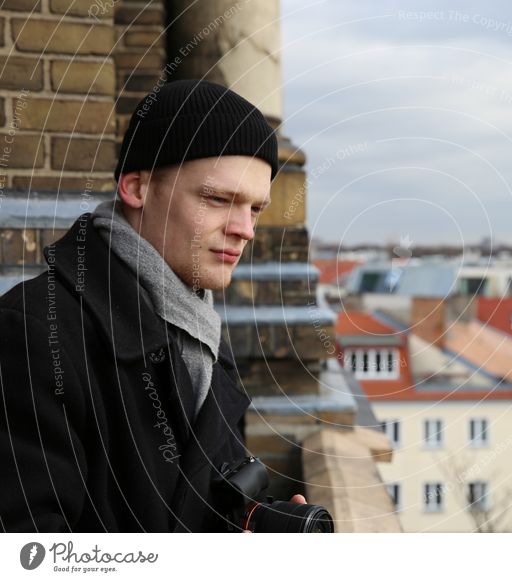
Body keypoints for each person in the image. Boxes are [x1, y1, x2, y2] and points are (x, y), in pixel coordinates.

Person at [0, 79, 304, 532]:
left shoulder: (199, 331)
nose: (246, 230)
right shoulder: (33, 332)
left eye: (255, 209)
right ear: (137, 187)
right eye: (218, 199)